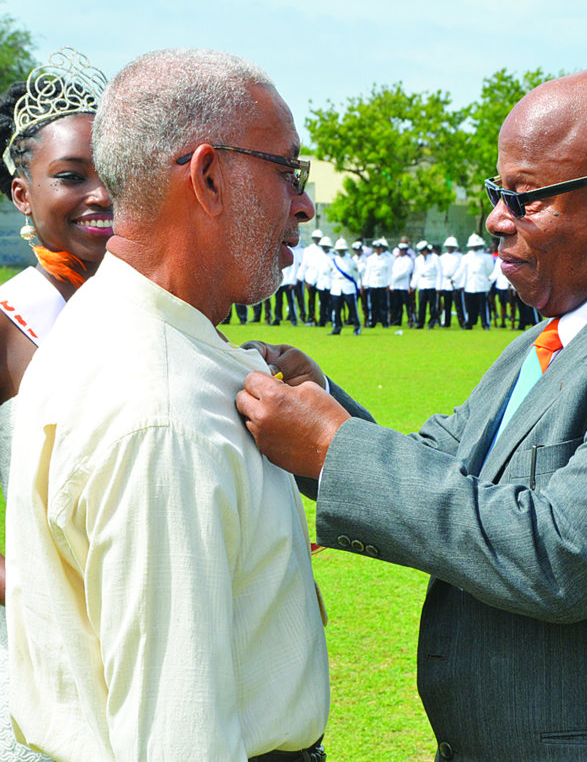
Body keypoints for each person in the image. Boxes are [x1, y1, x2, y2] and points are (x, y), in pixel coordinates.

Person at [236, 66, 587, 761]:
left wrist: (332, 447)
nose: (495, 219)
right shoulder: (551, 333)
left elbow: (565, 552)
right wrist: (322, 401)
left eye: (523, 198)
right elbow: (449, 466)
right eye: (496, 193)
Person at [6, 48, 332, 761]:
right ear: (209, 177)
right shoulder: (160, 407)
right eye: (287, 171)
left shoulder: (129, 334)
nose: (303, 203)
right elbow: (176, 733)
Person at [0, 46, 111, 762]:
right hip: (45, 638)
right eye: (71, 176)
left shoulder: (160, 311)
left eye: (113, 176)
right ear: (22, 194)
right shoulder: (15, 316)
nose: (100, 195)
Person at [453, 233, 494, 329]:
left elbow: (489, 270)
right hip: (470, 284)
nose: (475, 247)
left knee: (483, 306)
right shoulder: (466, 257)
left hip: (481, 283)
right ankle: (469, 323)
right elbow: (461, 270)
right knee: (469, 306)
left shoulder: (486, 257)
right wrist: (455, 279)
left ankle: (485, 323)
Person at [329, 238, 361, 335]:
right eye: (339, 249)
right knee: (336, 309)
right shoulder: (333, 260)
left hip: (348, 286)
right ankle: (337, 327)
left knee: (352, 308)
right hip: (336, 286)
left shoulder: (350, 261)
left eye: (342, 249)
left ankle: (356, 327)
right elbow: (331, 273)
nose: (340, 251)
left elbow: (356, 275)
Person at [411, 241, 441, 329]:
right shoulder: (418, 259)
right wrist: (412, 285)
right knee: (421, 304)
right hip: (422, 283)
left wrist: (438, 286)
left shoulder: (435, 258)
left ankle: (432, 321)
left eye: (422, 251)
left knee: (432, 305)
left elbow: (439, 272)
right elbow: (416, 272)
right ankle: (420, 322)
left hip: (432, 283)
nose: (421, 253)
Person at [438, 235, 461, 328]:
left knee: (458, 304)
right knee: (446, 305)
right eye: (448, 246)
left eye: (451, 246)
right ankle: (446, 322)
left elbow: (460, 269)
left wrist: (455, 278)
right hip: (445, 282)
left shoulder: (459, 257)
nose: (449, 248)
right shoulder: (442, 257)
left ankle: (462, 322)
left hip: (455, 282)